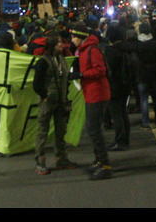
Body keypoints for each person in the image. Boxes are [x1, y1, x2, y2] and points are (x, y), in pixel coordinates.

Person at [69, 22, 113, 180]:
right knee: (93, 129)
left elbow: (100, 70)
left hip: (98, 94)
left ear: (81, 37)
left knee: (94, 129)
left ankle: (105, 164)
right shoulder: (83, 50)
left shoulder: (92, 50)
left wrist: (82, 75)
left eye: (74, 36)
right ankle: (99, 161)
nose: (72, 39)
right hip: (91, 93)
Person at [32, 31, 77, 175]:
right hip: (48, 102)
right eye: (58, 43)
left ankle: (61, 159)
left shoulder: (62, 59)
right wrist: (45, 97)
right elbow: (36, 83)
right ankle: (40, 162)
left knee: (60, 131)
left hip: (60, 101)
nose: (61, 45)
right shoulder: (43, 61)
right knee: (42, 132)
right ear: (52, 45)